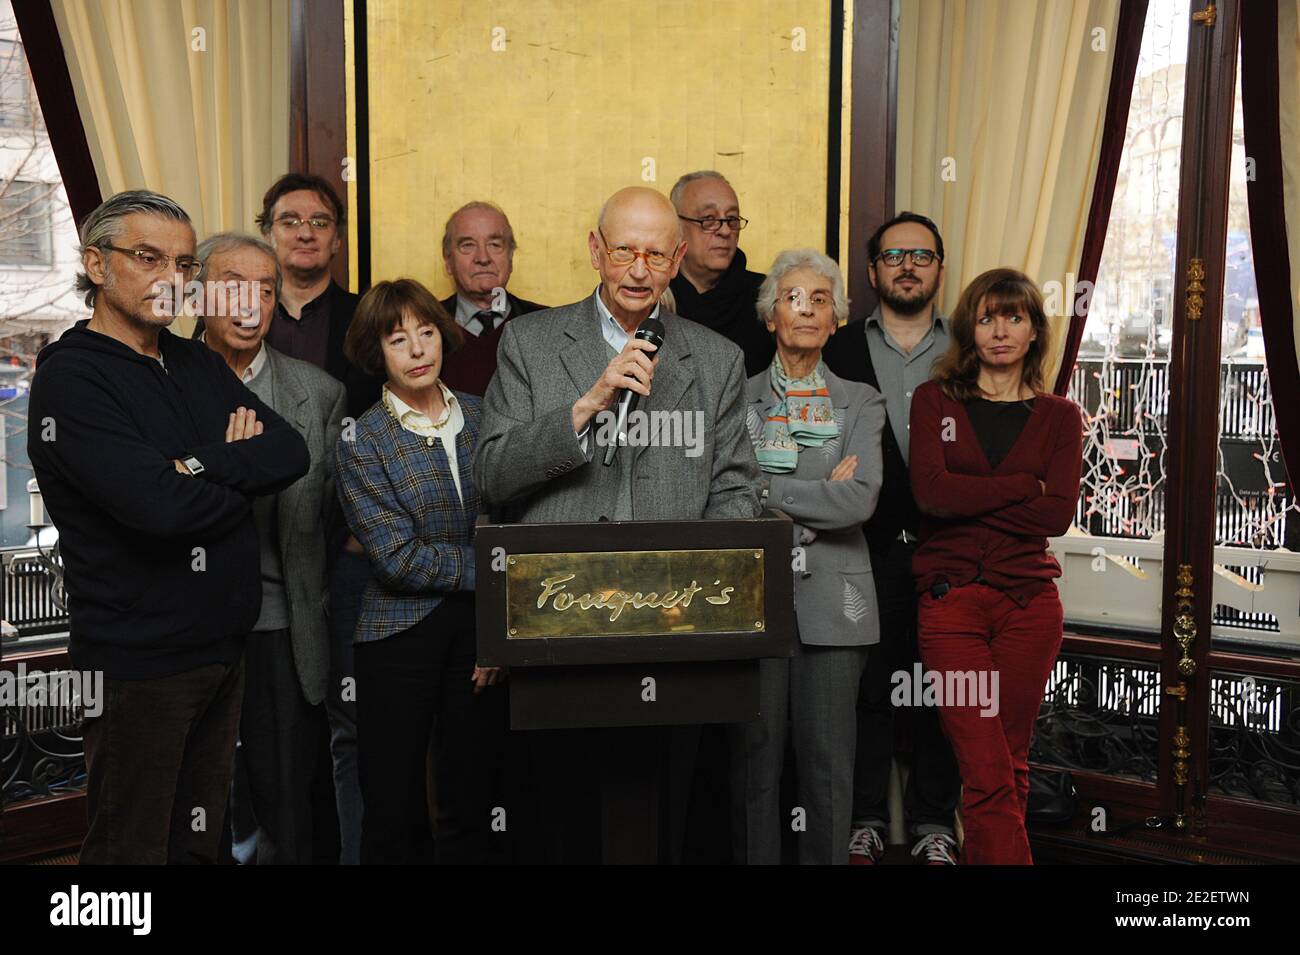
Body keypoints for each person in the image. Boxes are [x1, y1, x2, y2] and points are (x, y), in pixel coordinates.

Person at [474, 186, 760, 863]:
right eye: (625, 250)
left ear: (678, 256)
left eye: (656, 253)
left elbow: (736, 492)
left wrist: (698, 596)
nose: (639, 268)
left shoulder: (716, 359)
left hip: (675, 630)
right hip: (558, 623)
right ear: (595, 250)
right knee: (562, 817)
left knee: (666, 817)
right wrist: (587, 405)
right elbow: (490, 473)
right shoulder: (530, 342)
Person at [27, 190, 309, 864]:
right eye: (149, 258)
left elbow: (290, 451)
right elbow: (160, 510)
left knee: (195, 847)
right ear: (97, 263)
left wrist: (195, 465)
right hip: (140, 664)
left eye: (184, 265)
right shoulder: (73, 379)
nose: (172, 281)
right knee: (131, 852)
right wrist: (234, 469)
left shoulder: (192, 361)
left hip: (219, 651)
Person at [908, 267, 1083, 865]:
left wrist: (972, 496)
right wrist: (1019, 487)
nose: (1000, 331)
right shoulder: (935, 401)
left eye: (1014, 317)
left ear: (1034, 330)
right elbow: (930, 495)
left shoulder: (1060, 416)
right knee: (985, 766)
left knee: (1009, 760)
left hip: (1030, 607)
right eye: (986, 318)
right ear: (969, 330)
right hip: (950, 604)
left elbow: (1056, 516)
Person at [335, 278, 506, 864]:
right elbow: (398, 558)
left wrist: (496, 631)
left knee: (474, 792)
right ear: (374, 353)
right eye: (398, 339)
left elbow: (508, 520)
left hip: (479, 635)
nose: (417, 350)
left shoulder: (486, 417)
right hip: (397, 637)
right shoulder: (362, 438)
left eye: (427, 332)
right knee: (393, 802)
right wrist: (493, 570)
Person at [731, 250, 887, 865]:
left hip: (836, 606)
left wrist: (767, 488)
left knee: (828, 771)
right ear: (771, 316)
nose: (806, 309)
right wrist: (816, 493)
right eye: (793, 298)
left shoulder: (862, 402)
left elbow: (858, 501)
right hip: (753, 598)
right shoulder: (733, 399)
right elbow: (730, 498)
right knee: (753, 765)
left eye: (820, 299)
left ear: (835, 319)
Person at [196, 232, 347, 864]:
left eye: (265, 288)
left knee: (287, 803)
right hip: (189, 624)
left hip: (283, 627)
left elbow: (335, 522)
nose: (251, 303)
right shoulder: (163, 384)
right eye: (234, 285)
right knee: (198, 800)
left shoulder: (318, 393)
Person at [821, 211, 963, 864]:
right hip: (863, 546)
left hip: (950, 550)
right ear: (873, 269)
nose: (908, 264)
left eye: (923, 255)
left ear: (939, 268)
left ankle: (935, 820)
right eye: (895, 254)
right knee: (869, 686)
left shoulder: (968, 349)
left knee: (939, 689)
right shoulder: (837, 348)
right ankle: (867, 816)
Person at [255, 171, 381, 864]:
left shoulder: (367, 318)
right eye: (289, 219)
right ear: (268, 230)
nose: (305, 231)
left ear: (338, 236)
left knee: (346, 722)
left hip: (345, 551)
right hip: (253, 555)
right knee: (273, 730)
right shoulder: (233, 313)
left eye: (320, 221)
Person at [668, 171, 774, 377]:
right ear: (675, 226)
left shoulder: (767, 297)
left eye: (732, 219)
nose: (725, 231)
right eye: (708, 219)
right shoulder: (654, 296)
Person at [437, 201, 546, 396]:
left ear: (510, 258)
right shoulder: (425, 329)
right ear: (448, 261)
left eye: (495, 244)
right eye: (467, 245)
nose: (483, 257)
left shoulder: (548, 325)